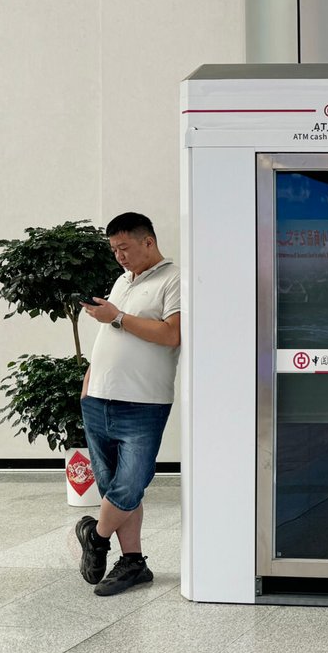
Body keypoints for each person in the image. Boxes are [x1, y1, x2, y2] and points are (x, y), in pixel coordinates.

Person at [73, 212, 181, 596]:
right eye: (114, 249)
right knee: (113, 488)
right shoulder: (122, 280)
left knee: (131, 484)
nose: (119, 256)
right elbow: (110, 337)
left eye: (125, 247)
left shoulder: (174, 279)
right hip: (98, 398)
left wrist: (116, 316)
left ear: (148, 242)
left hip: (143, 402)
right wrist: (89, 382)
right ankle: (133, 562)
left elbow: (172, 335)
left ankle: (96, 536)